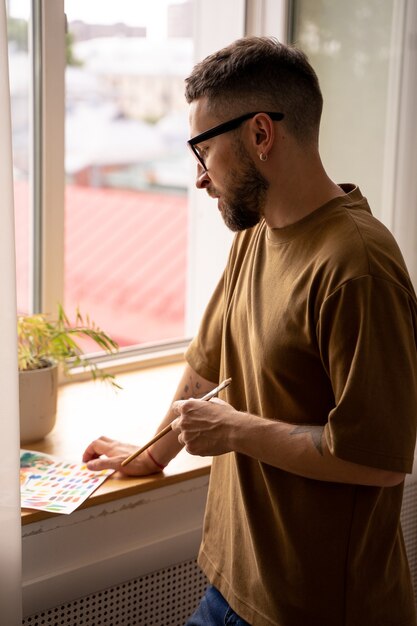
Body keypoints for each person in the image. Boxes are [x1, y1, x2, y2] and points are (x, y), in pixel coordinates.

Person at [82, 36, 417, 626]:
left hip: (318, 609)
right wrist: (153, 452)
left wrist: (236, 430)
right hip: (232, 586)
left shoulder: (358, 267)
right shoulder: (256, 237)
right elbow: (207, 361)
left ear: (261, 135)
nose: (199, 179)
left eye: (204, 152)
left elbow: (379, 461)